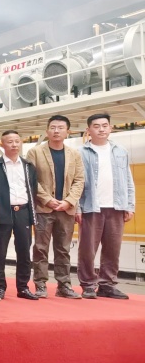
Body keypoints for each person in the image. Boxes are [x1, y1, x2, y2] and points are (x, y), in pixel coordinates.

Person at [77, 113, 135, 299]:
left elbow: (128, 179)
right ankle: (88, 285)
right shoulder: (80, 152)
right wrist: (77, 207)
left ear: (110, 128)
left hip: (116, 206)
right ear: (88, 130)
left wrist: (129, 205)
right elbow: (75, 182)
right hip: (91, 207)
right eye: (96, 126)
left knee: (113, 248)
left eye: (105, 125)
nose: (101, 129)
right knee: (87, 249)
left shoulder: (120, 151)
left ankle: (107, 285)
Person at [26, 115, 84, 298]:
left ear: (68, 132)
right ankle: (40, 284)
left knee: (63, 249)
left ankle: (64, 285)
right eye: (52, 127)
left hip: (66, 209)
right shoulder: (35, 152)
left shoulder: (74, 154)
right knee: (40, 248)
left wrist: (69, 201)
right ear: (47, 131)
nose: (56, 131)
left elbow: (79, 180)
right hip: (43, 209)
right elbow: (31, 179)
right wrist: (47, 199)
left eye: (60, 128)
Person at [0, 130, 38, 300]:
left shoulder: (28, 166)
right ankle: (0, 287)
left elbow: (33, 189)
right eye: (10, 142)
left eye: (17, 141)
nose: (14, 145)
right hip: (3, 212)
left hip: (23, 211)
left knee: (24, 250)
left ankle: (23, 287)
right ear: (2, 144)